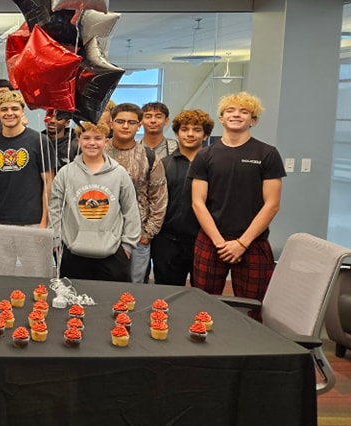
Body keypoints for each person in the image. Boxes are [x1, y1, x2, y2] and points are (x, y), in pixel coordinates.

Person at [190, 92, 285, 311]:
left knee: (253, 308)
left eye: (244, 111)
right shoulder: (205, 156)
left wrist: (242, 243)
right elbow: (198, 202)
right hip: (212, 242)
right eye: (230, 110)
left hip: (253, 243)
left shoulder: (267, 154)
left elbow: (272, 204)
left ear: (253, 120)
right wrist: (219, 242)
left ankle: (249, 345)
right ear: (221, 118)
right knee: (204, 306)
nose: (236, 115)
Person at [49, 121, 141, 282]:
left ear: (106, 142)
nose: (92, 143)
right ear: (78, 140)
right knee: (74, 303)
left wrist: (127, 245)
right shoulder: (65, 173)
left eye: (97, 138)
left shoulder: (119, 173)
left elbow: (131, 210)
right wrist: (56, 241)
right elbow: (55, 208)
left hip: (113, 254)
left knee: (112, 303)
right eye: (86, 138)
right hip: (73, 253)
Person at [151, 109, 214, 286]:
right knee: (166, 294)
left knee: (203, 294)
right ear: (177, 133)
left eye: (196, 130)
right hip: (167, 242)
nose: (190, 134)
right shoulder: (164, 164)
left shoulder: (214, 166)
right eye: (185, 129)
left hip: (203, 241)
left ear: (205, 135)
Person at [106, 102, 167, 283]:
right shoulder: (97, 151)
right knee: (104, 285)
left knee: (135, 288)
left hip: (138, 236)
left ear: (139, 124)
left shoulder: (149, 156)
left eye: (131, 122)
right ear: (111, 123)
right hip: (103, 233)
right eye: (120, 121)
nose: (125, 126)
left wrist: (147, 234)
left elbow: (159, 199)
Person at [0, 90, 49, 227]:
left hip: (31, 221)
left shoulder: (39, 141)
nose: (9, 113)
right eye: (4, 109)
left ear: (23, 111)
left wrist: (44, 221)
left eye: (15, 108)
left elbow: (48, 182)